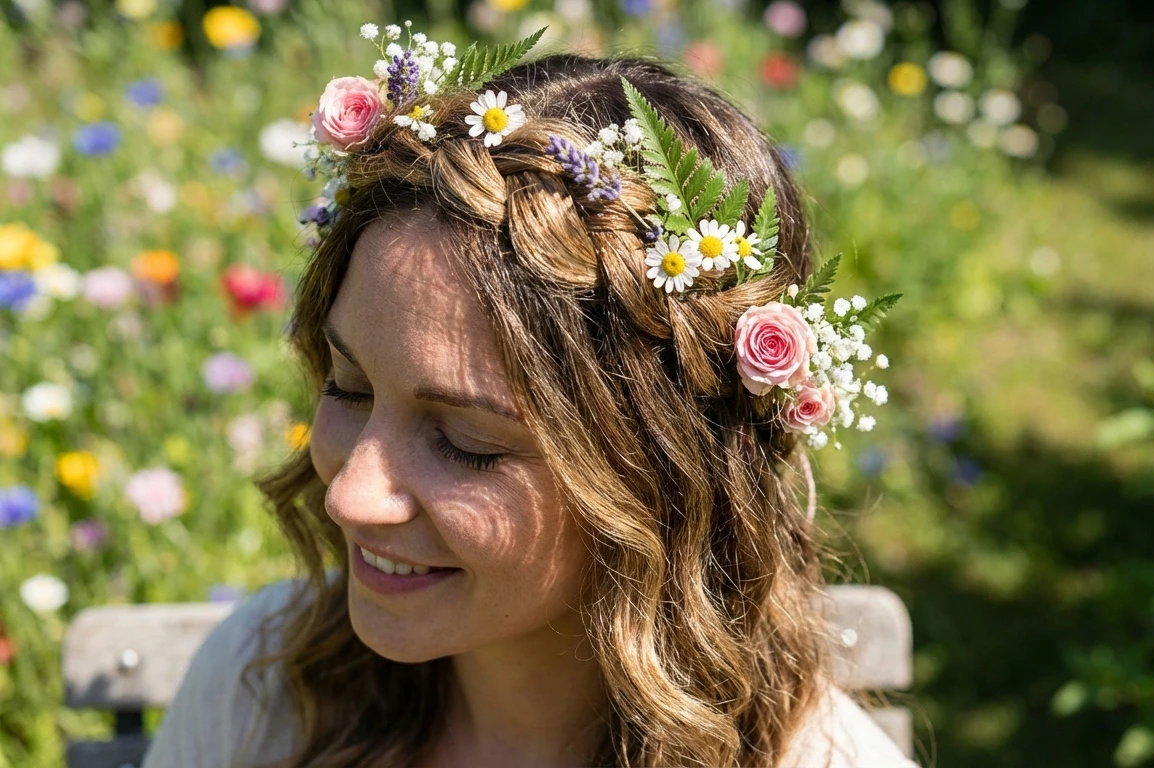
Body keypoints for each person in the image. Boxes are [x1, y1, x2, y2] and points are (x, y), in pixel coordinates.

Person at [143, 24, 914, 768]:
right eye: (349, 389)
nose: (350, 496)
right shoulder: (261, 695)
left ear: (659, 473)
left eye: (466, 444)